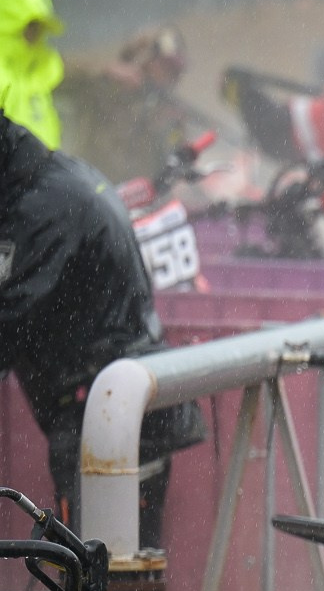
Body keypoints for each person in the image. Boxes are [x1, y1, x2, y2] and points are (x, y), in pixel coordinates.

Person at [0, 109, 203, 541]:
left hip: (105, 415)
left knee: (102, 580)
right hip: (117, 407)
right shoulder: (54, 179)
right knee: (123, 577)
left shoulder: (40, 209)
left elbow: (6, 322)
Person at [56, 25, 194, 183]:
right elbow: (55, 72)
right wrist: (103, 71)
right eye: (166, 67)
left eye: (176, 71)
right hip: (89, 189)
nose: (173, 77)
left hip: (137, 202)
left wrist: (164, 134)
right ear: (144, 60)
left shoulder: (168, 112)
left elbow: (172, 176)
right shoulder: (106, 86)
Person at [0, 0, 65, 149]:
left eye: (41, 27)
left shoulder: (36, 77)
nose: (37, 34)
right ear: (7, 23)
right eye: (31, 25)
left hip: (39, 175)